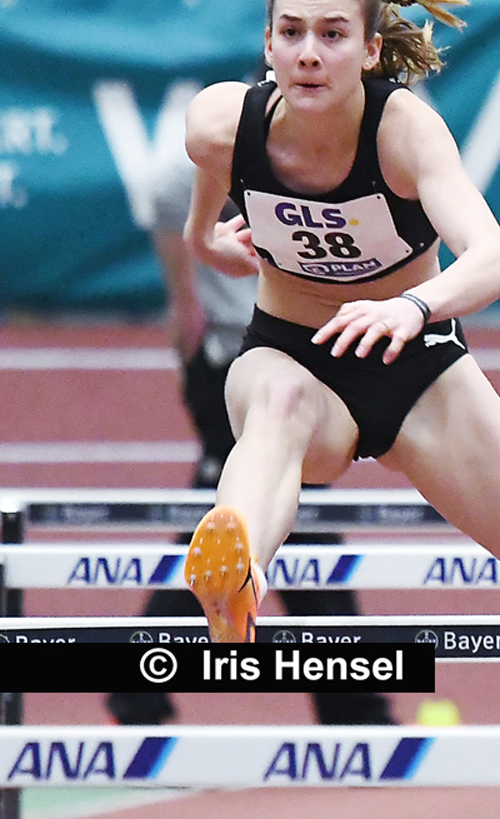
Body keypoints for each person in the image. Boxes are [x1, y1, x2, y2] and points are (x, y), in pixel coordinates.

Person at [179, 0, 500, 642]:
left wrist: (413, 306)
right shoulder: (220, 122)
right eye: (292, 33)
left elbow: (496, 260)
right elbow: (208, 190)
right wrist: (207, 241)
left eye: (332, 35)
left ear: (370, 50)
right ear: (268, 44)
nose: (309, 54)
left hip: (416, 368)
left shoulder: (404, 133)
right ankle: (234, 577)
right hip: (289, 353)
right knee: (278, 404)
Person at [107, 145, 393, 723]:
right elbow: (167, 190)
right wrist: (186, 297)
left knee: (276, 521)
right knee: (275, 517)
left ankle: (351, 702)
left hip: (293, 359)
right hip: (236, 359)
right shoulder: (241, 140)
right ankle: (354, 704)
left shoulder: (337, 149)